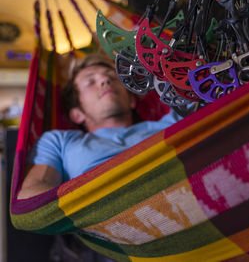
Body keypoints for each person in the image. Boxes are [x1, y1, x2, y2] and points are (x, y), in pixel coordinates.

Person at [17, 54, 182, 199]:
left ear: (132, 100)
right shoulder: (59, 142)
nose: (105, 80)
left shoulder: (173, 122)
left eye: (113, 77)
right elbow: (31, 196)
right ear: (77, 114)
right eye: (90, 81)